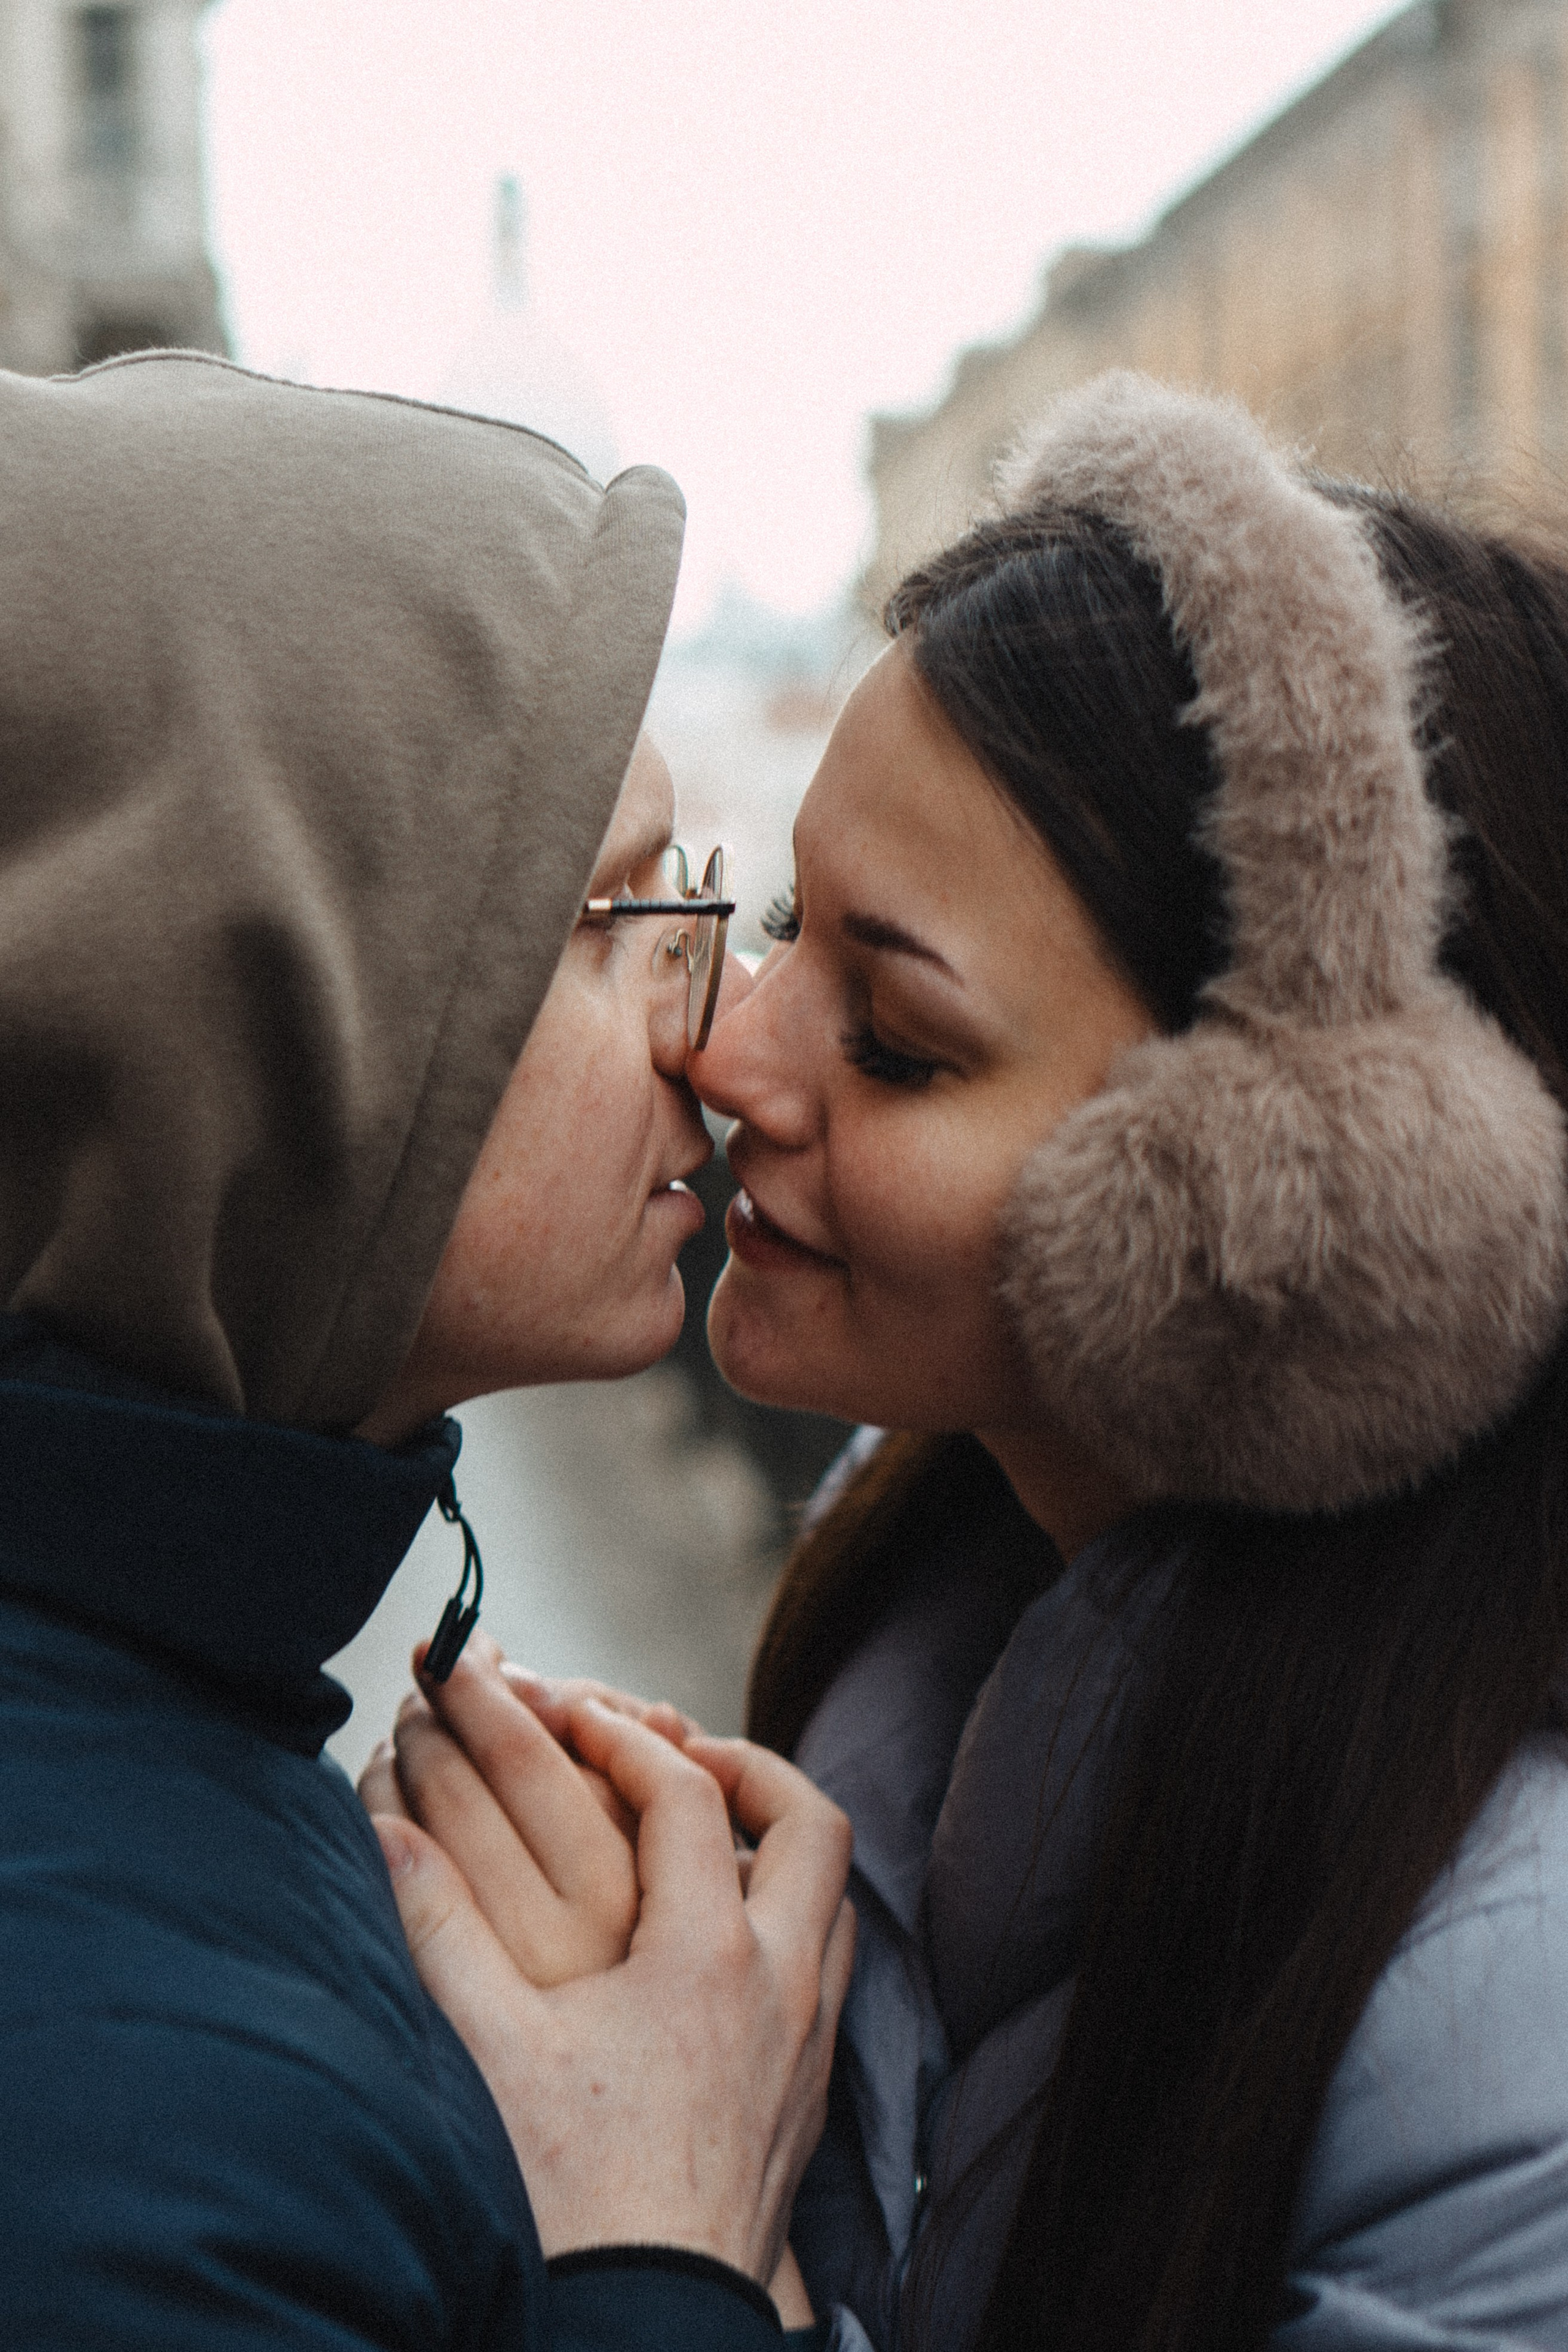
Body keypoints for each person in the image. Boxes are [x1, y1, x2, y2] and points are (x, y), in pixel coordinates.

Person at [374, 373, 1568, 2351]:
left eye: (900, 1035)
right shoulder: (934, 1624)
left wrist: (662, 2240)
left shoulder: (1509, 2038)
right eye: (779, 930)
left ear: (1313, 1214)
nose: (730, 1058)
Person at [0, 349, 853, 2351]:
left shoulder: (157, 1719)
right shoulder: (137, 2103)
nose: (717, 1039)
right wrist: (664, 2243)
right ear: (264, 1013)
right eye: (615, 905)